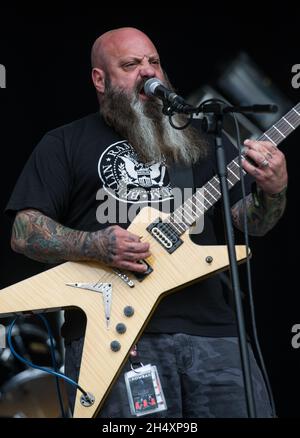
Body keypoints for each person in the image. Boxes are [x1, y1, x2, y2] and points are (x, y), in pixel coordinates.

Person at [5, 27, 288, 418]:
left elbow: (251, 223)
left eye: (153, 61)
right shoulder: (65, 143)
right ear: (99, 79)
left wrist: (273, 190)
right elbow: (24, 232)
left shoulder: (200, 138)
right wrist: (96, 245)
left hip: (217, 336)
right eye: (131, 64)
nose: (147, 71)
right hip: (118, 338)